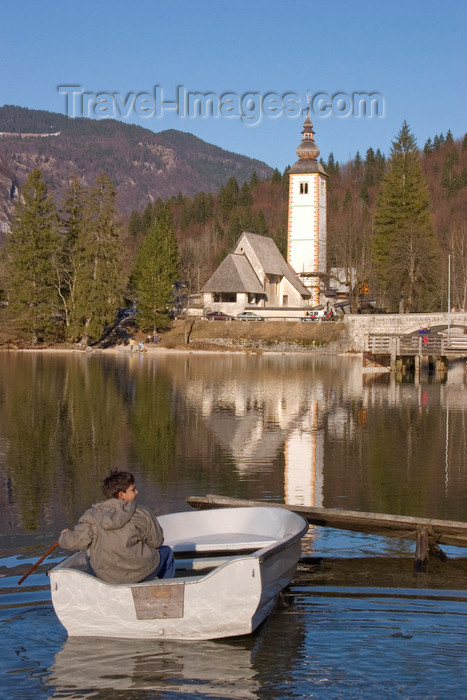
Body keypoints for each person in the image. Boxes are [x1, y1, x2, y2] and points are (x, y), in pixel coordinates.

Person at [59, 470, 175, 584]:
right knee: (167, 552)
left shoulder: (91, 517)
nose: (137, 492)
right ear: (121, 495)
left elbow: (74, 542)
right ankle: (166, 591)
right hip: (141, 572)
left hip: (108, 577)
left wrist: (64, 536)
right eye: (133, 489)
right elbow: (156, 542)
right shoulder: (141, 513)